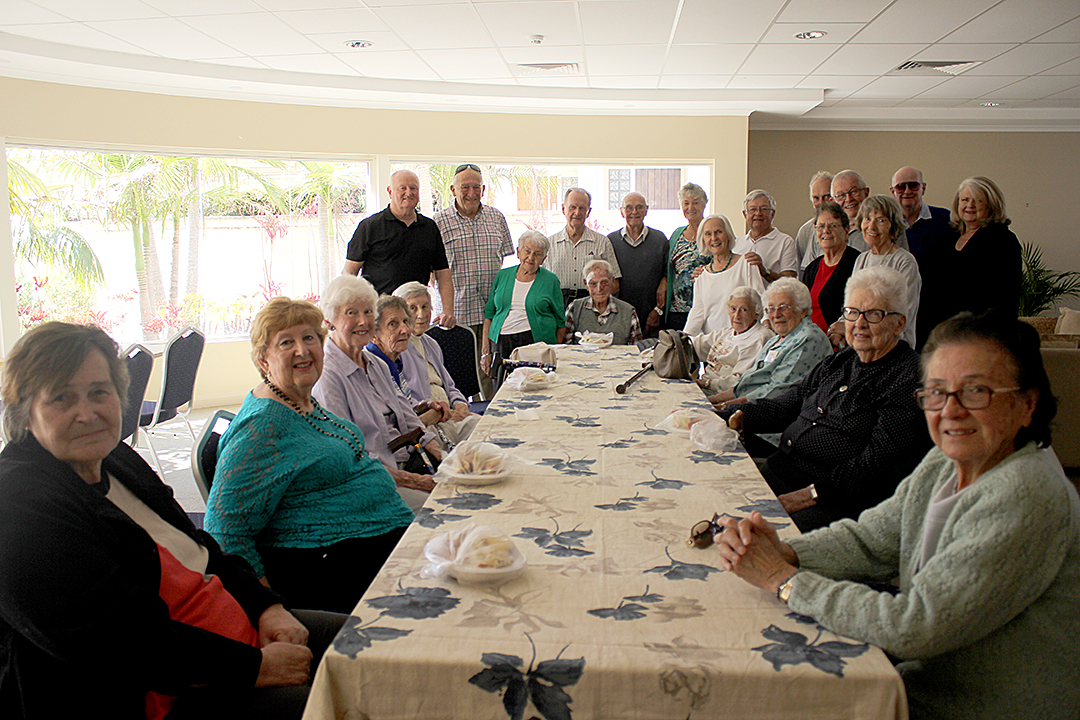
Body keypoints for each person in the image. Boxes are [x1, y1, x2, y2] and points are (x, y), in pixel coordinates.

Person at [714, 312, 1080, 720]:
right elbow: (874, 538)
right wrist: (785, 551)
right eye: (936, 393)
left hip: (971, 704)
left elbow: (916, 625)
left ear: (1027, 403)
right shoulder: (948, 460)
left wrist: (784, 580)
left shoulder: (1024, 491)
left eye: (976, 391)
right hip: (923, 679)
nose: (950, 411)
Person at [0, 322, 345, 720]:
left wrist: (268, 607)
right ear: (25, 413)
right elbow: (118, 643)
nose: (87, 413)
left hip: (236, 634)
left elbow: (201, 548)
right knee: (356, 708)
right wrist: (255, 667)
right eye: (62, 399)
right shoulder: (19, 507)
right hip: (161, 693)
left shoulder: (115, 459)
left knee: (389, 645)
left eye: (100, 393)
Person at [205, 298, 416, 614]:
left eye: (310, 339)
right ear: (264, 360)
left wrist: (416, 480)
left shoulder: (303, 401)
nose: (302, 351)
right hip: (329, 571)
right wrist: (269, 610)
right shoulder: (261, 426)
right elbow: (224, 531)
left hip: (378, 539)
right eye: (286, 342)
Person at [719, 267, 931, 531]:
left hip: (835, 499)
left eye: (874, 314)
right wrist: (718, 416)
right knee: (712, 498)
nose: (859, 324)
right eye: (852, 313)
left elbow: (875, 465)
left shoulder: (909, 378)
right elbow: (784, 407)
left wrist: (808, 495)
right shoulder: (841, 360)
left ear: (899, 323)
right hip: (781, 472)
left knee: (745, 538)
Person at [311, 275, 438, 511]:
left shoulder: (374, 362)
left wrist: (442, 454)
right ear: (331, 319)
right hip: (369, 483)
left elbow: (407, 413)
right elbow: (350, 458)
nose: (362, 321)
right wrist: (417, 481)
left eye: (368, 312)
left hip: (404, 462)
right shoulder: (327, 376)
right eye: (351, 313)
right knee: (443, 509)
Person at [433, 162, 514, 394]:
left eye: (476, 187)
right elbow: (432, 270)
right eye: (465, 187)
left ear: (483, 189)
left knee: (491, 376)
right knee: (457, 379)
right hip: (456, 314)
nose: (471, 193)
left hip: (494, 314)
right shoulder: (438, 222)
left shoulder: (497, 218)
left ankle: (494, 421)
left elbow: (506, 262)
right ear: (452, 189)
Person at [343, 169, 455, 327]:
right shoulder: (370, 226)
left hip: (417, 318)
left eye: (413, 188)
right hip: (379, 316)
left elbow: (443, 273)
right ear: (390, 191)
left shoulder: (429, 227)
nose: (408, 193)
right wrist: (351, 311)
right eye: (402, 188)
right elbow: (349, 273)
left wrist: (448, 311)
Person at [921, 176, 1022, 347]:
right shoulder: (948, 238)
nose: (970, 206)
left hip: (983, 336)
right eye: (965, 200)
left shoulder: (1003, 240)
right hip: (945, 334)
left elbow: (1006, 296)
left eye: (978, 201)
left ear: (991, 205)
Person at [706, 277, 831, 409]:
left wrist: (723, 407)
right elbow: (748, 383)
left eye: (784, 307)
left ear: (803, 310)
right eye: (771, 308)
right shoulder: (777, 339)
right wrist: (712, 400)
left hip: (777, 415)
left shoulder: (808, 339)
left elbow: (777, 391)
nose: (776, 314)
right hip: (753, 408)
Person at [394, 281, 481, 445]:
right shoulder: (397, 349)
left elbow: (449, 385)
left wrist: (460, 404)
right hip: (428, 422)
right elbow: (403, 400)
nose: (421, 314)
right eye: (413, 308)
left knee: (487, 429)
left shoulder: (431, 343)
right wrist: (440, 412)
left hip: (450, 415)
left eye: (425, 307)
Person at [482, 231, 567, 381]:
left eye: (537, 254)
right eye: (527, 251)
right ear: (518, 252)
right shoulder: (503, 275)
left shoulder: (550, 280)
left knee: (535, 388)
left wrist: (554, 351)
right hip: (501, 342)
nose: (531, 257)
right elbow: (489, 314)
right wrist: (485, 352)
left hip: (535, 343)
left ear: (544, 259)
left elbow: (561, 321)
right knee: (503, 390)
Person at [851, 195, 922, 348]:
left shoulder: (905, 261)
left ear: (893, 226)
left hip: (894, 346)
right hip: (862, 341)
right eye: (867, 218)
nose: (871, 226)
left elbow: (904, 314)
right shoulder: (861, 259)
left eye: (881, 220)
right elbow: (852, 305)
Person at [683, 213, 767, 335]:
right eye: (708, 234)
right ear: (703, 239)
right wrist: (684, 338)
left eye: (719, 232)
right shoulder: (701, 274)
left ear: (728, 235)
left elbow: (761, 299)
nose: (714, 238)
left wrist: (766, 328)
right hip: (712, 343)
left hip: (742, 340)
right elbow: (698, 312)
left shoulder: (746, 264)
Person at [544, 187, 622, 308]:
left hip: (592, 305)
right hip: (557, 305)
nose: (577, 212)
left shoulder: (602, 242)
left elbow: (615, 283)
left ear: (588, 212)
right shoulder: (548, 245)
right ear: (563, 209)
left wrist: (598, 303)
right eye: (573, 207)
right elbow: (538, 282)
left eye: (582, 208)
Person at [692, 286, 773, 394]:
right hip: (704, 387)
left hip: (720, 394)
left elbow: (740, 381)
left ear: (756, 313)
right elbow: (695, 345)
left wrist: (706, 383)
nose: (737, 315)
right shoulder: (727, 332)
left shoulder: (758, 339)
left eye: (744, 310)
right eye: (733, 309)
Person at [608, 191, 668, 336]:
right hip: (619, 317)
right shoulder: (610, 242)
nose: (634, 212)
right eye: (628, 208)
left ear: (646, 210)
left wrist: (658, 311)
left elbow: (667, 277)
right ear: (622, 212)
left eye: (639, 207)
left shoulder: (660, 240)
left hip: (653, 317)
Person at [801, 200, 860, 334]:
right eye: (821, 226)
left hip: (838, 340)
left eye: (833, 226)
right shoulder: (812, 267)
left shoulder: (857, 262)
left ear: (846, 231)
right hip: (811, 338)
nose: (826, 231)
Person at [664, 182, 711, 330]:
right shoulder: (677, 234)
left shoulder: (714, 231)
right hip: (677, 310)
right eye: (686, 203)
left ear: (704, 205)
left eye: (696, 203)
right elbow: (669, 268)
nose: (691, 207)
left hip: (708, 308)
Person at [564, 259, 643, 345]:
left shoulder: (628, 312)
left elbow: (635, 350)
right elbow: (567, 348)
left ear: (612, 281)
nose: (599, 289)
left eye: (604, 282)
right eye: (593, 283)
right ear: (585, 284)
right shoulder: (574, 308)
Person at [732, 189, 798, 284]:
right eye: (752, 209)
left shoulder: (785, 242)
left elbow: (790, 281)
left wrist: (764, 271)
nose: (758, 213)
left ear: (773, 214)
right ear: (745, 215)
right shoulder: (737, 243)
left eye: (764, 209)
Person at [794, 171, 833, 272]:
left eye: (826, 197)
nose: (821, 203)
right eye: (816, 198)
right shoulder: (805, 231)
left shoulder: (847, 228)